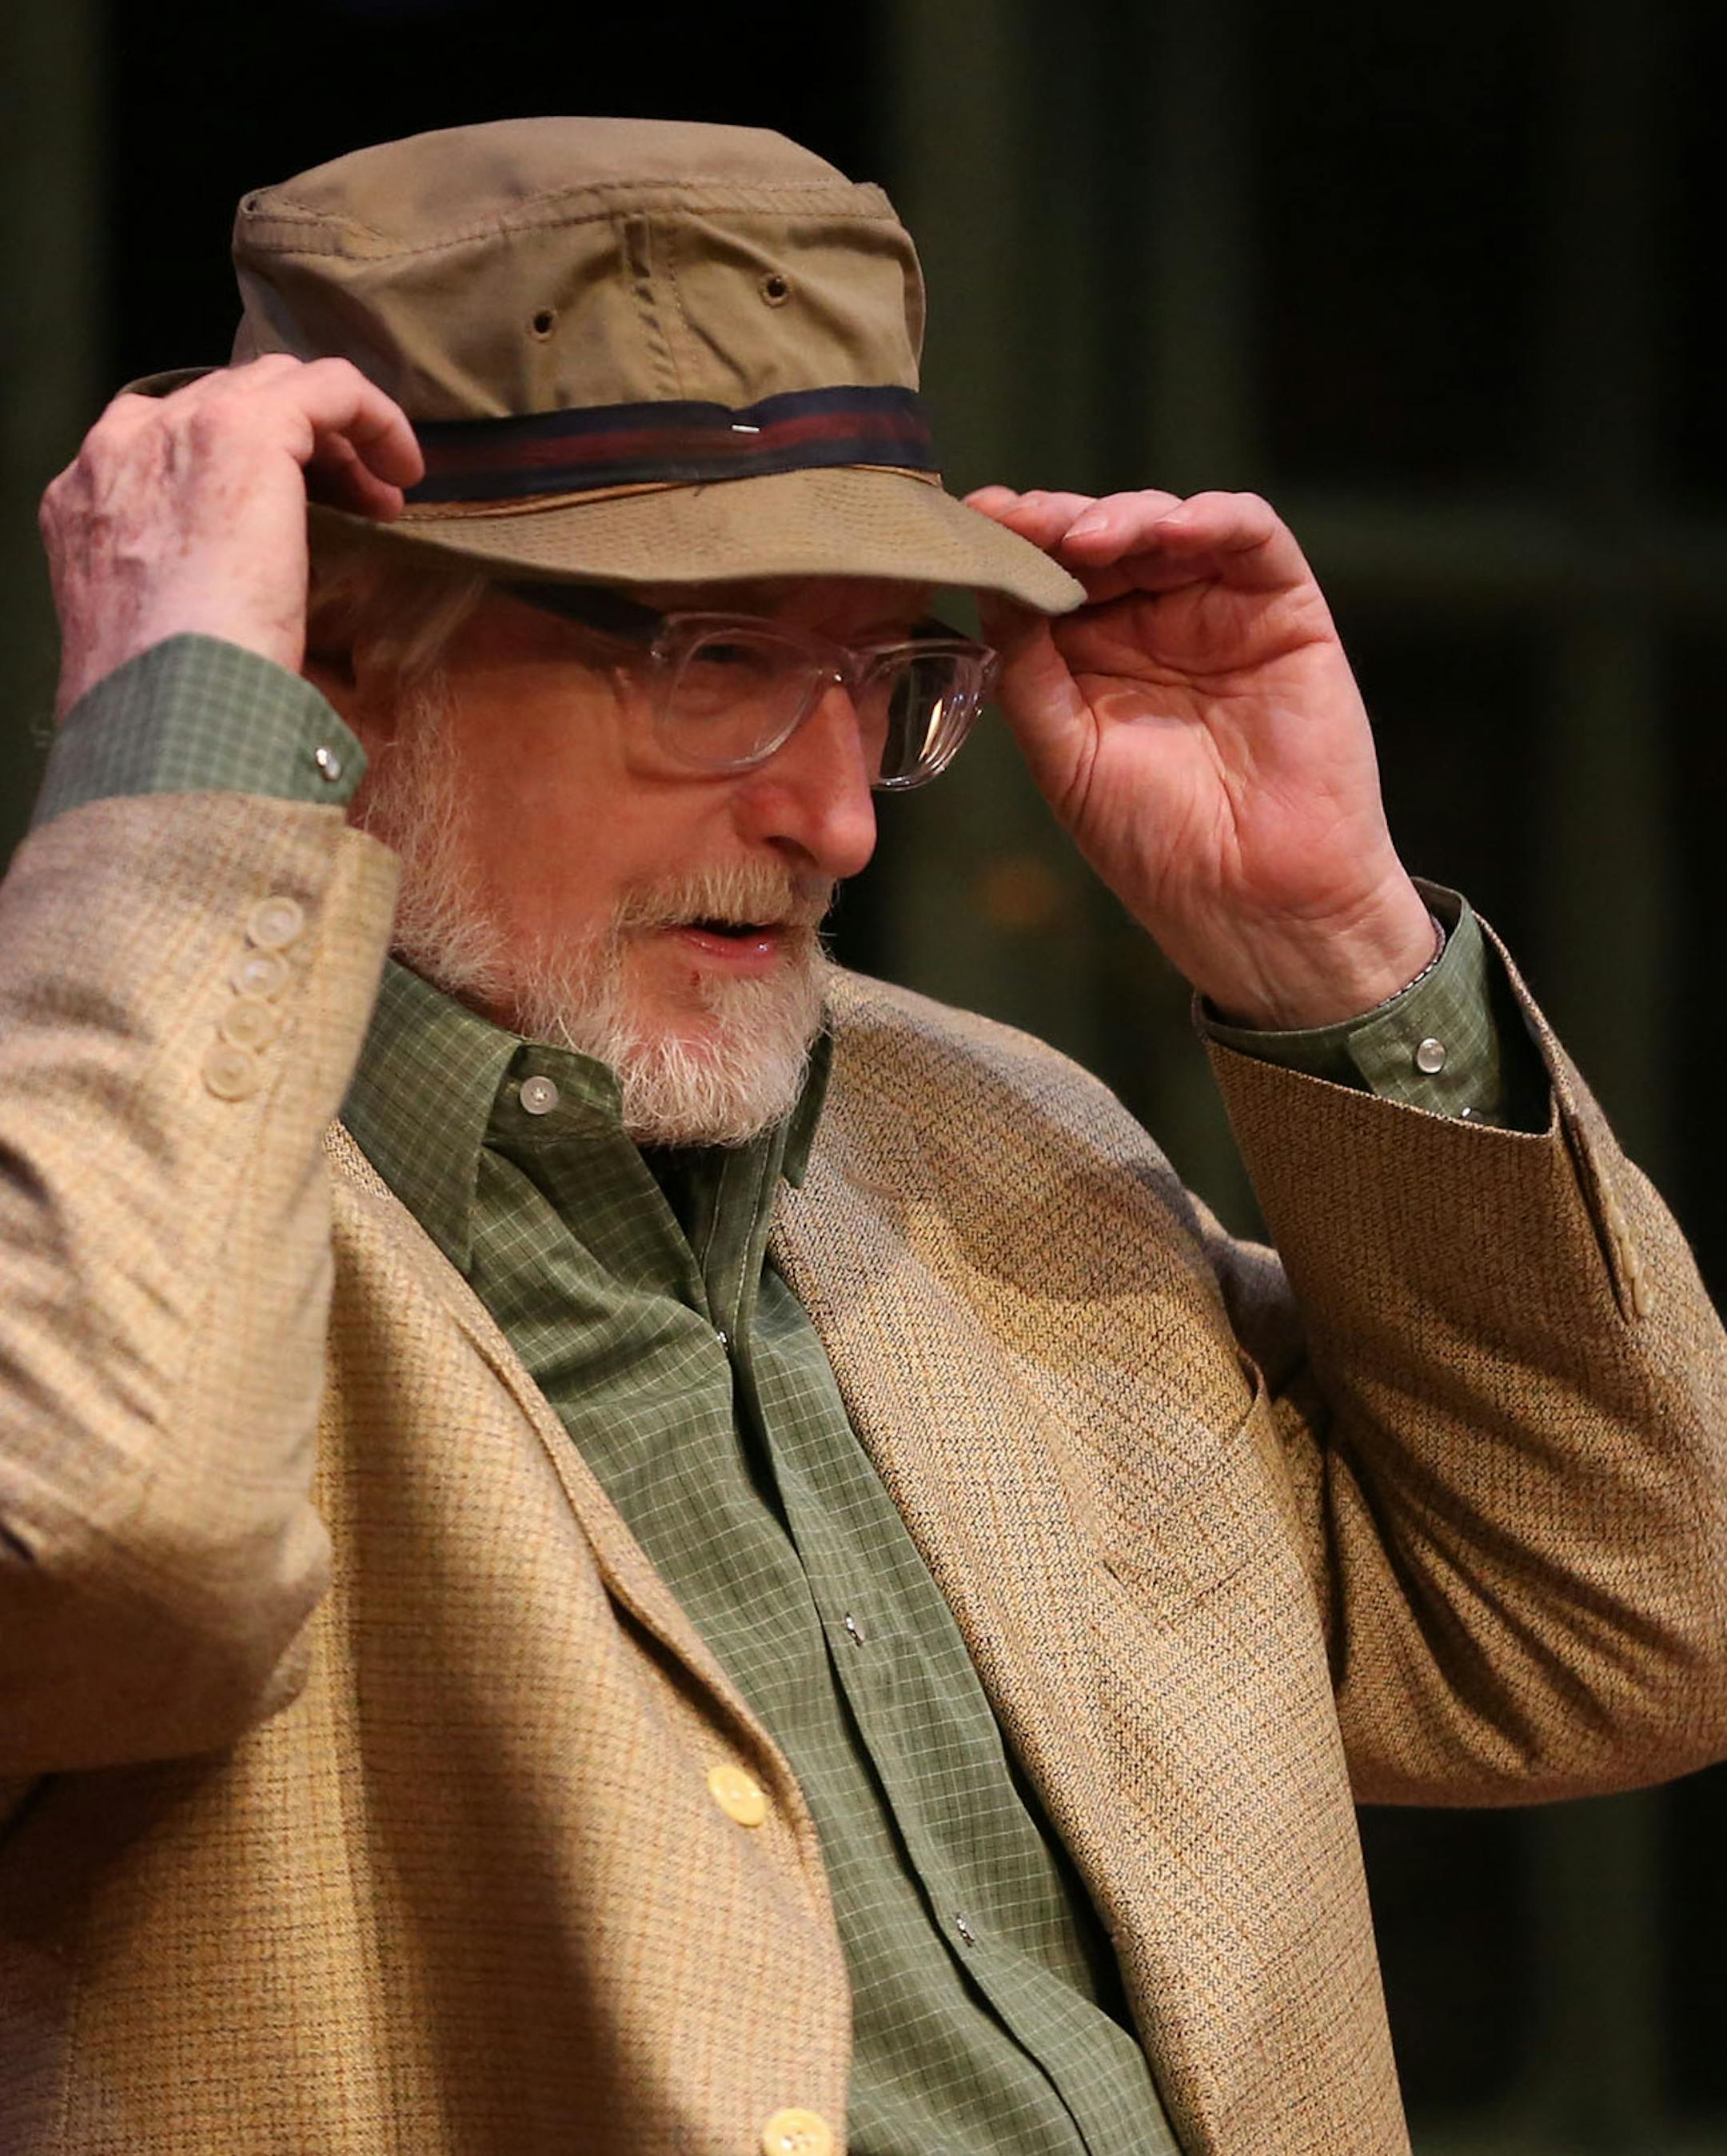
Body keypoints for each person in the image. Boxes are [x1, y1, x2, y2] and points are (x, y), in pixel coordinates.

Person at [3, 116, 1724, 2156]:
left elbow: (1622, 1620)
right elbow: (93, 1555)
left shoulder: (985, 1144)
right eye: (714, 661)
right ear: (346, 651)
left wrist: (1325, 940)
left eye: (883, 677)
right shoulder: (95, 1198)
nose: (831, 818)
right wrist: (176, 757)